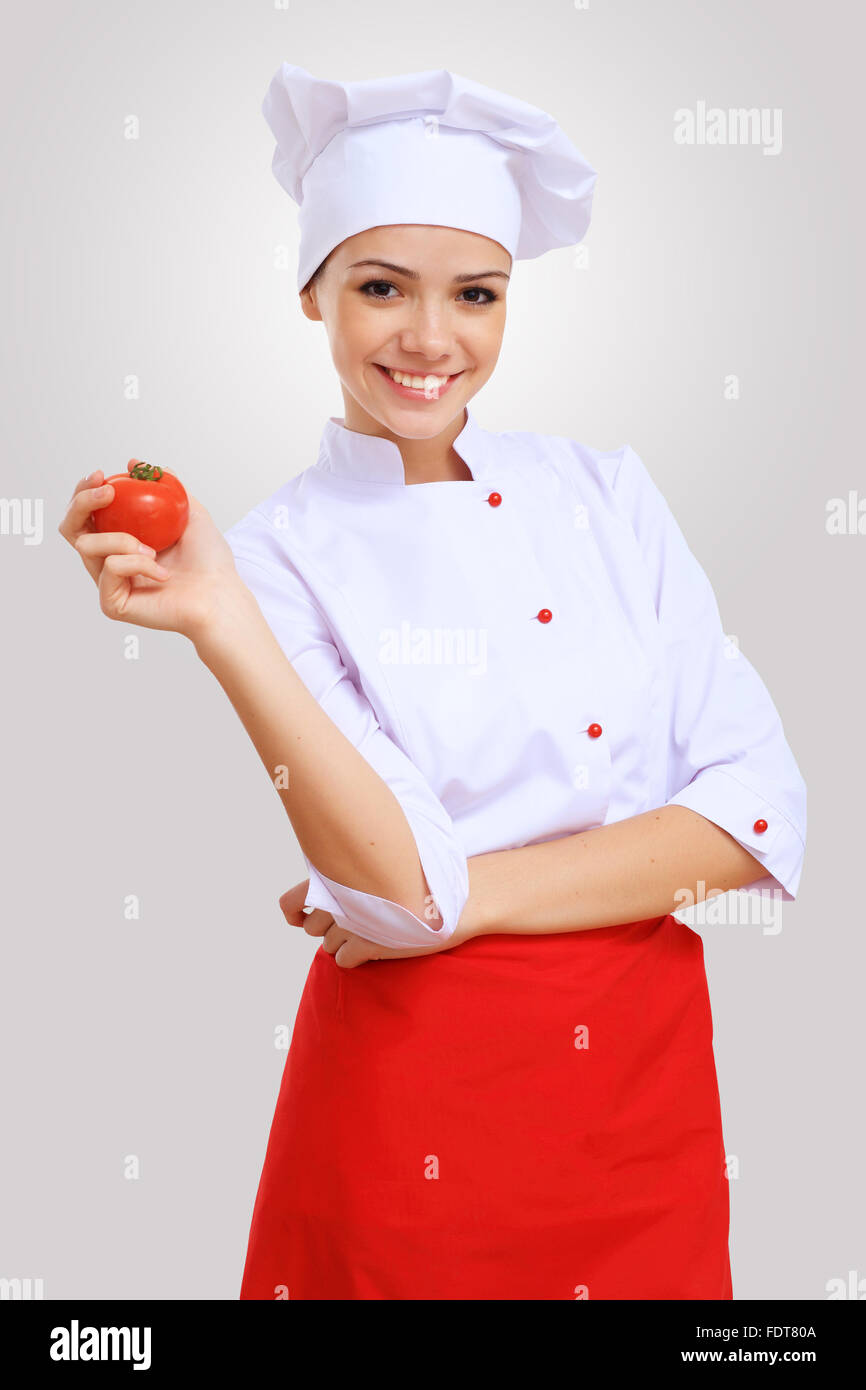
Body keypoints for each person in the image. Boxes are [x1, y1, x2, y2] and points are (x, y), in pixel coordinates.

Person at [59, 63, 806, 1300]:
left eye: (474, 293)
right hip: (407, 1093)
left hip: (638, 1087)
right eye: (379, 288)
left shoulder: (607, 493)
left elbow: (755, 816)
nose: (428, 338)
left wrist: (449, 891)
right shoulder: (269, 560)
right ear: (312, 294)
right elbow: (399, 898)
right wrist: (217, 621)